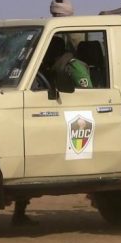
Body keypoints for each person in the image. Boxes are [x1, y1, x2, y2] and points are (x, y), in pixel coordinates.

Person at [13, 37, 93, 225]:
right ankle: (19, 211)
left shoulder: (73, 67)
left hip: (73, 117)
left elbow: (88, 95)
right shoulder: (49, 68)